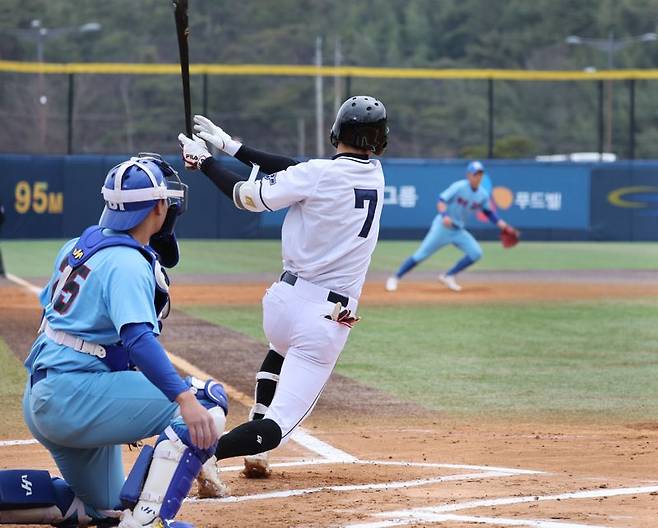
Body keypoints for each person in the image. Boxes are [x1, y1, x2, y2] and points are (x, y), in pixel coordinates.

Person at [0, 154, 228, 528]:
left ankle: (60, 503)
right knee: (206, 400)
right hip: (74, 397)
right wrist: (183, 400)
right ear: (158, 206)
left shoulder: (80, 243)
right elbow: (138, 340)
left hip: (47, 395)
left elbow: (51, 313)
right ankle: (148, 521)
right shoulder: (127, 263)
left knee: (103, 508)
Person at [179, 95, 387, 478]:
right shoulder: (375, 174)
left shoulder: (318, 174)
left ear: (336, 131)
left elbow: (249, 194)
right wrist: (229, 148)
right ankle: (206, 453)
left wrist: (207, 163)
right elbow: (299, 170)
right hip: (324, 318)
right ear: (379, 141)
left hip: (283, 302)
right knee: (275, 429)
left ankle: (255, 457)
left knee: (279, 349)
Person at [386, 161, 518, 292]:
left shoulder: (482, 194)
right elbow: (441, 200)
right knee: (421, 255)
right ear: (469, 175)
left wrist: (505, 227)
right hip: (442, 227)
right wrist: (444, 215)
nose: (477, 177)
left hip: (458, 230)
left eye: (480, 174)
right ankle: (395, 278)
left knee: (476, 253)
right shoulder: (459, 187)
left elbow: (489, 213)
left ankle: (448, 276)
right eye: (475, 174)